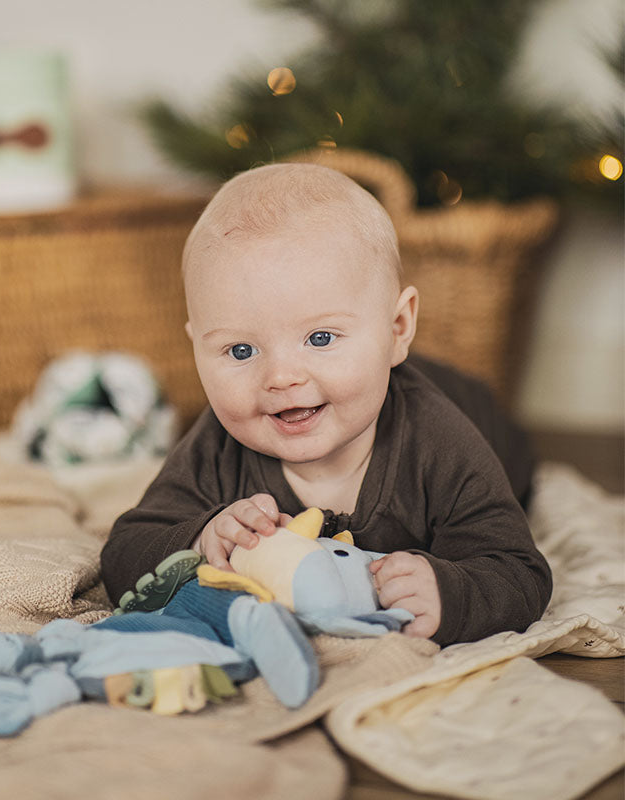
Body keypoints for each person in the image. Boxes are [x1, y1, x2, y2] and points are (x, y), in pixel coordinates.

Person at [100, 162, 551, 647]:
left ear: (398, 328)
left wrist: (451, 592)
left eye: (319, 338)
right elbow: (125, 552)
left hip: (486, 422)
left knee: (510, 477)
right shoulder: (217, 446)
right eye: (241, 351)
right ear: (196, 348)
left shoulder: (439, 441)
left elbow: (518, 571)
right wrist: (199, 539)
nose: (282, 378)